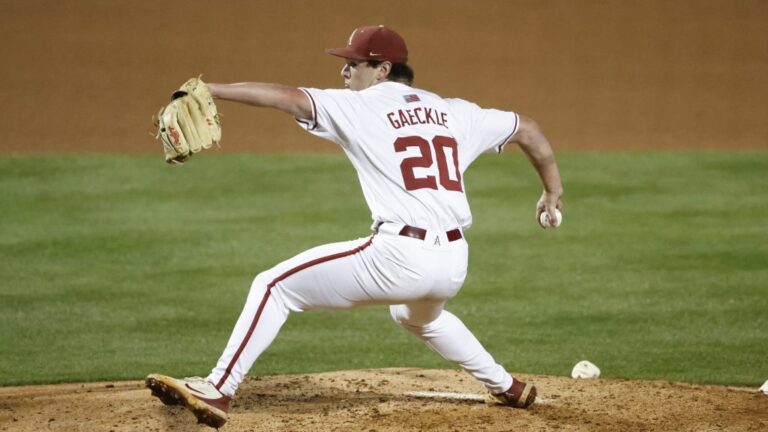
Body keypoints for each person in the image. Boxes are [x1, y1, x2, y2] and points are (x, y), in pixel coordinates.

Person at [147, 25, 563, 428]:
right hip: (453, 263)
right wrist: (552, 191)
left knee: (275, 286)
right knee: (420, 318)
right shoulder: (456, 112)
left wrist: (212, 91)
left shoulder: (360, 106)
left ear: (382, 69)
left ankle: (217, 388)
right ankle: (508, 387)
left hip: (400, 257)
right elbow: (528, 129)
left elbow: (284, 97)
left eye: (354, 64)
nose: (344, 72)